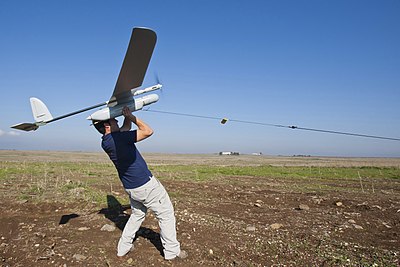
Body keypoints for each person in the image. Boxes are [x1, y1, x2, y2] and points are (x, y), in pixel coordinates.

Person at [93, 106, 187, 260]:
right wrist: (131, 116)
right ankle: (172, 253)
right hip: (146, 186)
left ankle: (123, 248)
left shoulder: (107, 141)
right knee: (166, 214)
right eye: (113, 119)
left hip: (132, 188)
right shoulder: (119, 139)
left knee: (137, 215)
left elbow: (125, 128)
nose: (116, 120)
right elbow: (148, 131)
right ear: (107, 126)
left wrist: (125, 115)